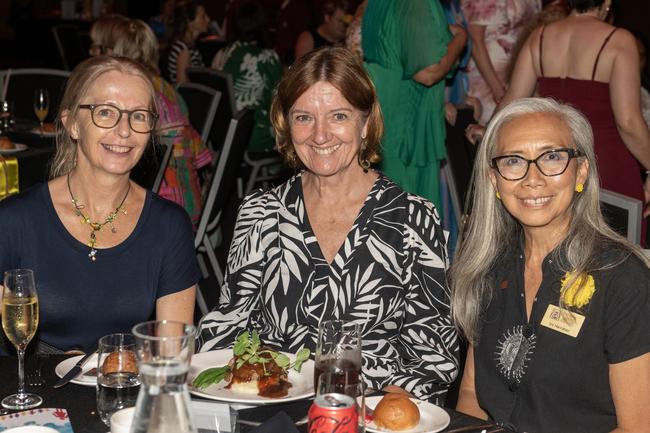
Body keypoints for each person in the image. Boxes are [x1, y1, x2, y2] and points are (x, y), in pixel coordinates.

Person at [197, 47, 459, 404]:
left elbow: (433, 359)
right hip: (272, 407)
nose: (320, 136)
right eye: (304, 117)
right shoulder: (259, 213)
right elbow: (226, 326)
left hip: (370, 413)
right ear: (286, 125)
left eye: (338, 116)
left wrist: (376, 410)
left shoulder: (412, 219)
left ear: (365, 124)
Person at [451, 97, 650, 432]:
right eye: (514, 161)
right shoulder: (487, 267)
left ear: (581, 172)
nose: (533, 178)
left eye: (552, 157)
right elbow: (471, 391)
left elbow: (638, 427)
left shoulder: (623, 279)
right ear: (495, 180)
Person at [0, 56, 199, 354]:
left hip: (126, 390)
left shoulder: (169, 226)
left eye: (139, 116)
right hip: (31, 393)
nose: (124, 131)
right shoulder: (14, 221)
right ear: (72, 125)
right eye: (105, 112)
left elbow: (173, 355)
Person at [494, 0, 650, 229]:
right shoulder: (619, 40)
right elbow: (628, 122)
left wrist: (489, 131)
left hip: (555, 163)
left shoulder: (540, 36)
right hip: (606, 165)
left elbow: (512, 101)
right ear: (606, 3)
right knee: (616, 253)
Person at [90, 15, 213, 225]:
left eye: (99, 48)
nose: (92, 53)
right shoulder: (168, 90)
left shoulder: (128, 98)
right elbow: (200, 155)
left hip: (157, 213)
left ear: (114, 53)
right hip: (189, 203)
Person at [362, 0, 468, 208]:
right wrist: (460, 39)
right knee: (409, 212)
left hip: (386, 109)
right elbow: (428, 72)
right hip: (407, 116)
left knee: (387, 205)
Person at [211, 0, 284, 155]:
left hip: (222, 131)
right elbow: (279, 99)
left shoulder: (224, 53)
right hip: (251, 134)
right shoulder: (267, 58)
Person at [461, 0, 540, 125]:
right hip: (490, 79)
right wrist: (497, 89)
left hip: (521, 72)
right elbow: (475, 41)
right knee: (493, 129)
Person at [167, 0, 210, 84]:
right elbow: (183, 86)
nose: (208, 19)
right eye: (203, 16)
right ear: (190, 23)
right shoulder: (184, 50)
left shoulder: (188, 46)